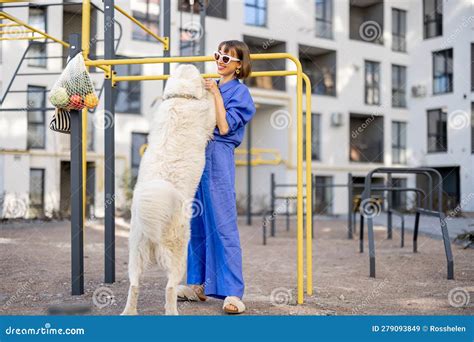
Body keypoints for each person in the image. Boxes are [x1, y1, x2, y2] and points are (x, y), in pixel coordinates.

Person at [177, 40, 255, 314]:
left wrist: (215, 96)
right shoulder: (210, 85)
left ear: (239, 65)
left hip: (219, 157)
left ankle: (233, 292)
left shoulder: (240, 93)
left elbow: (223, 127)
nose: (221, 60)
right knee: (196, 222)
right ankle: (197, 284)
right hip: (197, 153)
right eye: (218, 55)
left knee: (222, 223)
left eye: (228, 58)